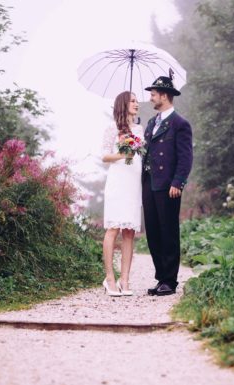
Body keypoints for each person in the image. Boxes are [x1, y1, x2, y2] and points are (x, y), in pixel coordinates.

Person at [142, 76, 193, 296]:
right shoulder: (152, 122)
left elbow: (185, 157)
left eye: (153, 94)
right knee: (153, 232)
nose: (151, 97)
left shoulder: (180, 124)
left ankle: (170, 282)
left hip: (168, 185)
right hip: (149, 184)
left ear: (164, 95)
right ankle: (161, 277)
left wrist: (178, 182)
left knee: (168, 231)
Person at [101, 91, 143, 296]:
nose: (137, 104)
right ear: (123, 105)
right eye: (133, 101)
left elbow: (141, 155)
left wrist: (136, 148)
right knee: (113, 229)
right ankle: (109, 278)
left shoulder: (140, 129)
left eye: (137, 100)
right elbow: (104, 155)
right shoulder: (112, 129)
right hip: (118, 183)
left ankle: (124, 280)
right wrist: (122, 153)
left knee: (129, 232)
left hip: (133, 183)